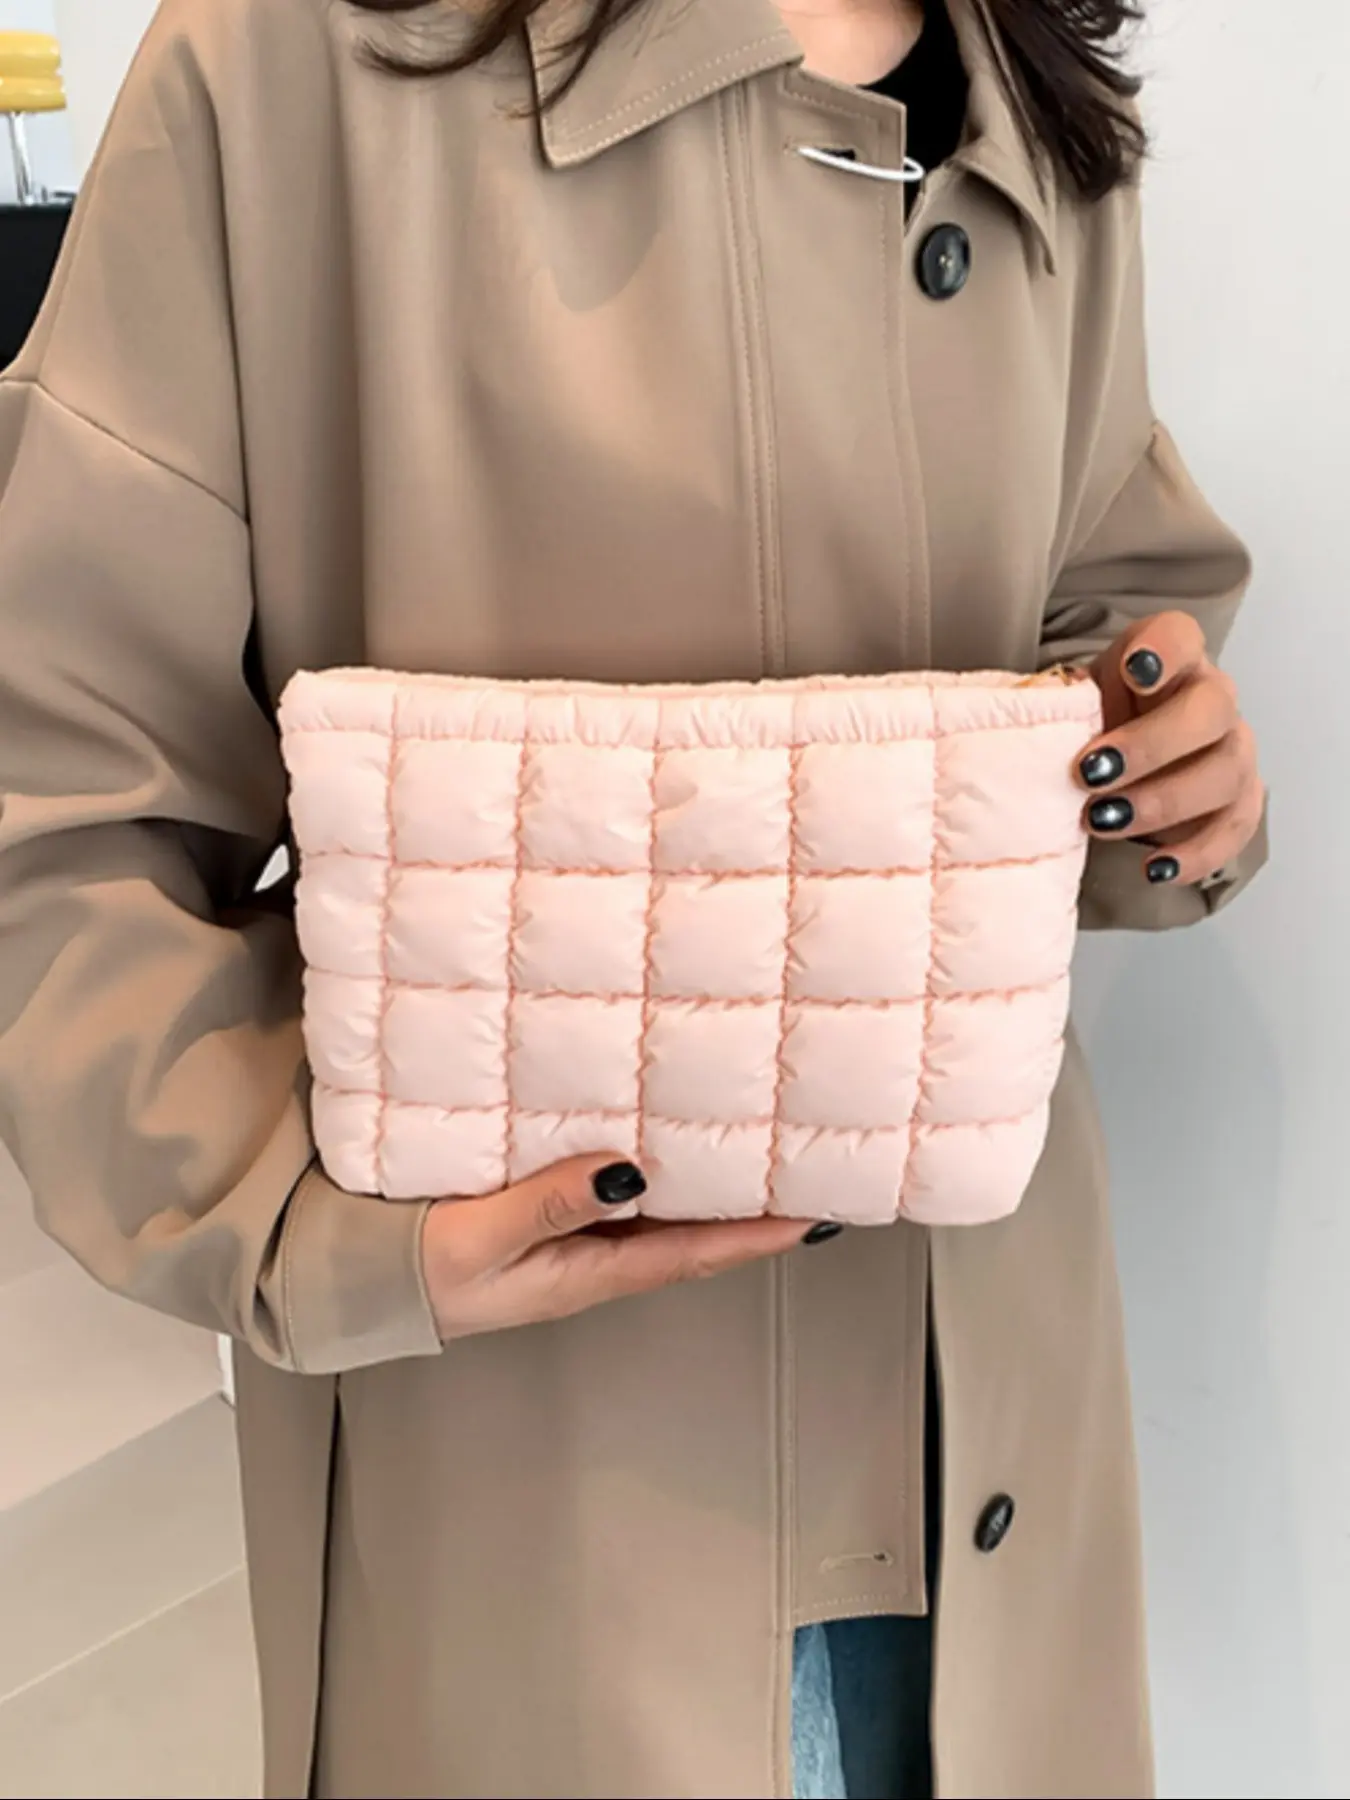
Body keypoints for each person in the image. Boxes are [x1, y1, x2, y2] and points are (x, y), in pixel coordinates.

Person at [0, 0, 1266, 1794]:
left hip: (985, 1412)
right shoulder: (293, 66)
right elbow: (60, 802)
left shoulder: (1021, 79)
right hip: (542, 1477)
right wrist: (306, 1222)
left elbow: (1101, 608)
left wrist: (1161, 776)